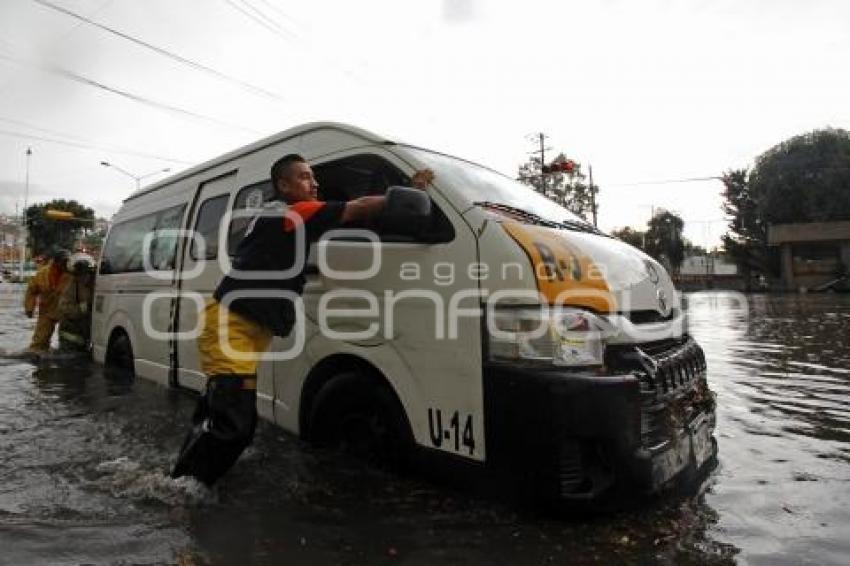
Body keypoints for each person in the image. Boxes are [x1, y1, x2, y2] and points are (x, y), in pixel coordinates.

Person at [171, 153, 433, 485]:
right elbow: (359, 206)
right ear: (283, 185)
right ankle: (183, 491)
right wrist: (404, 193)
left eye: (313, 177)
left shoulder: (284, 215)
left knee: (217, 412)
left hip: (242, 325)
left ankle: (183, 474)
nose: (315, 183)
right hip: (230, 327)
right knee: (236, 427)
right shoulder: (293, 213)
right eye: (306, 177)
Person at [24, 248, 72, 354]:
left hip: (67, 312)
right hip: (47, 311)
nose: (65, 264)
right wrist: (29, 308)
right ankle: (38, 358)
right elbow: (31, 291)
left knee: (69, 340)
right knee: (39, 342)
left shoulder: (73, 273)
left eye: (67, 261)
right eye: (63, 262)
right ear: (56, 262)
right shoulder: (42, 274)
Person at [57, 253, 96, 354]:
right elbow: (64, 308)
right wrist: (83, 307)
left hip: (87, 332)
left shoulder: (98, 282)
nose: (83, 277)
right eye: (79, 275)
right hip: (70, 333)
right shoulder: (71, 286)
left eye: (86, 274)